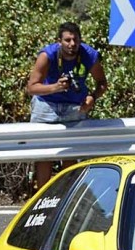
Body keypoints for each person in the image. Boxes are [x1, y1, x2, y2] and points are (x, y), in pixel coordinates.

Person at [26, 21, 108, 189]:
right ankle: (41, 196)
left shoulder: (88, 55)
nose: (72, 44)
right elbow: (31, 87)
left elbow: (102, 83)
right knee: (44, 156)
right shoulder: (47, 55)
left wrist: (92, 98)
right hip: (47, 105)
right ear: (59, 41)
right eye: (68, 40)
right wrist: (55, 87)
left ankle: (66, 196)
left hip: (74, 106)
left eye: (75, 40)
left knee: (70, 154)